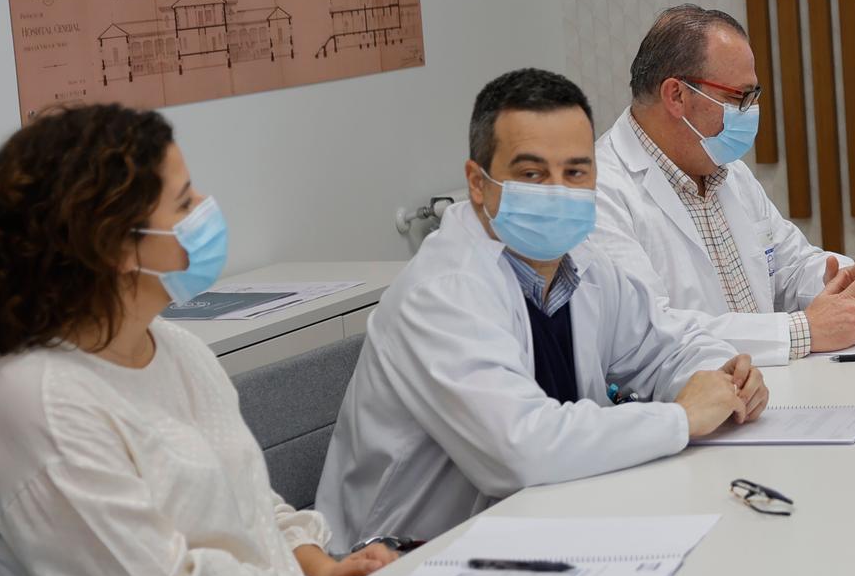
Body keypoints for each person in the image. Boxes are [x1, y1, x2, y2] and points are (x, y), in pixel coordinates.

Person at [0, 105, 395, 576]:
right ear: (116, 246)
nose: (206, 208)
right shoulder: (39, 401)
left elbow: (248, 503)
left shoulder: (176, 348)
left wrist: (317, 565)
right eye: (184, 203)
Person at [318, 68, 767, 551]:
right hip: (400, 563)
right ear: (477, 183)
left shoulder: (583, 262)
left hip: (539, 530)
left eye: (576, 171)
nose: (558, 190)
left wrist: (722, 377)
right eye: (532, 174)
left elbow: (663, 345)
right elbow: (520, 449)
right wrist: (682, 418)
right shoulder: (443, 291)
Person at [593, 4, 855, 364]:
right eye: (737, 97)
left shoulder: (725, 169)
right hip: (696, 404)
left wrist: (847, 285)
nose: (749, 111)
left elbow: (788, 264)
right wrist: (803, 331)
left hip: (773, 388)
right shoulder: (602, 190)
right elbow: (647, 331)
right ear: (676, 95)